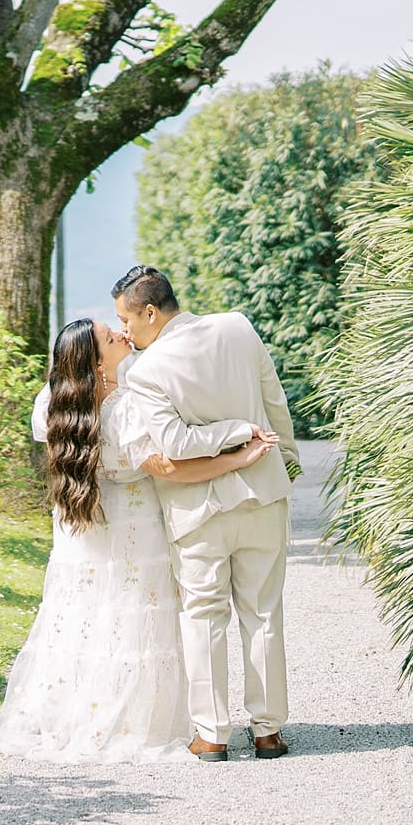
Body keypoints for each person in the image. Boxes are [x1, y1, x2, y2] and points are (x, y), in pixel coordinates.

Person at [0, 316, 278, 763]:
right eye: (109, 337)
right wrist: (237, 458)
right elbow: (170, 467)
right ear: (97, 365)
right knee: (139, 623)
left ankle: (86, 712)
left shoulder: (52, 404)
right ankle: (141, 720)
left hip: (80, 526)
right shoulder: (128, 407)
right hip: (138, 531)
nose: (122, 334)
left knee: (90, 619)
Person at [113, 264, 300, 762]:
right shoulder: (237, 325)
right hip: (263, 490)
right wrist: (279, 454)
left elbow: (173, 443)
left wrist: (225, 436)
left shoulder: (145, 371)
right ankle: (268, 732)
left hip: (197, 510)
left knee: (204, 617)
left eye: (127, 321)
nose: (125, 332)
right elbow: (272, 397)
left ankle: (213, 734)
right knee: (263, 614)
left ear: (150, 312)